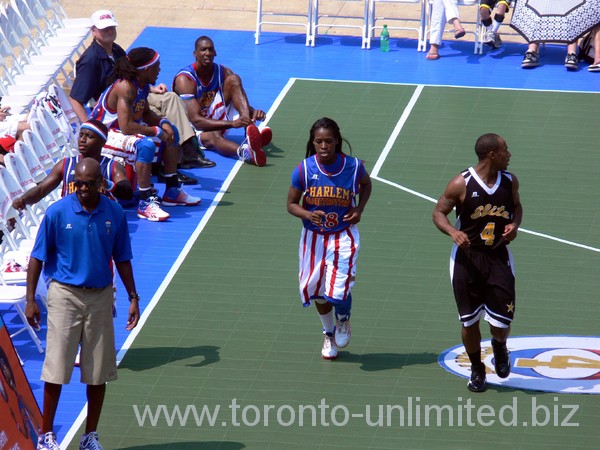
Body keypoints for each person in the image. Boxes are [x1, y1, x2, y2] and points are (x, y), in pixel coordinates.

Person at [25, 158, 140, 450]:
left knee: (98, 371)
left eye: (90, 184)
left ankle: (90, 436)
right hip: (65, 294)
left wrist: (133, 298)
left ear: (101, 183)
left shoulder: (114, 213)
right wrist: (30, 301)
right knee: (56, 368)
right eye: (79, 183)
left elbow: (123, 258)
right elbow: (37, 258)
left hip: (101, 296)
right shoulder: (57, 212)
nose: (84, 189)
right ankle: (45, 435)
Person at [69, 10, 214, 174]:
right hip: (115, 111)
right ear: (93, 31)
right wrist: (91, 128)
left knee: (171, 99)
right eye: (104, 28)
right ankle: (151, 186)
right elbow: (76, 99)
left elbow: (134, 77)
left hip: (131, 97)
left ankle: (184, 152)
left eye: (111, 27)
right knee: (147, 142)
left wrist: (152, 91)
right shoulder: (91, 60)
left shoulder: (116, 50)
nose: (109, 31)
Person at [432, 133, 522, 393]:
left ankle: (499, 346)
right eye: (506, 150)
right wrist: (452, 231)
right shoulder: (461, 183)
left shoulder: (509, 181)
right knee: (469, 321)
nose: (510, 154)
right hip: (467, 260)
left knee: (501, 323)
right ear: (492, 154)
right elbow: (439, 211)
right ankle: (477, 369)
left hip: (498, 257)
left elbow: (517, 207)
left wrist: (515, 224)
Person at [286, 117, 372, 360]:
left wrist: (359, 209)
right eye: (319, 141)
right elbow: (291, 205)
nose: (324, 146)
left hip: (343, 236)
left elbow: (366, 185)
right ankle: (328, 333)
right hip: (313, 238)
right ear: (313, 143)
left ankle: (343, 319)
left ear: (337, 141)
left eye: (328, 141)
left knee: (337, 294)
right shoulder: (303, 169)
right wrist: (307, 214)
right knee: (318, 292)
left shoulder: (353, 167)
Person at [91, 47, 201, 222]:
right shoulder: (125, 87)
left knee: (172, 134)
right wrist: (155, 131)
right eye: (157, 66)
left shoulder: (141, 86)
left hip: (119, 133)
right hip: (100, 136)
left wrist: (164, 124)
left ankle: (172, 191)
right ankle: (145, 202)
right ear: (146, 69)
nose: (159, 70)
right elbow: (127, 127)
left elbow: (146, 113)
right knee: (146, 144)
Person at [173, 36, 272, 167]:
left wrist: (252, 111)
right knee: (213, 136)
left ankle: (249, 128)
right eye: (203, 50)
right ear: (195, 54)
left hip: (211, 114)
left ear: (215, 53)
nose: (207, 53)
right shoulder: (185, 79)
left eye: (210, 49)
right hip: (190, 128)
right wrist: (231, 123)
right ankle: (246, 153)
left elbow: (237, 97)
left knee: (234, 80)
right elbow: (196, 121)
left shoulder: (223, 71)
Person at [12, 119, 133, 210]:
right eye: (81, 135)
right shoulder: (65, 164)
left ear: (102, 142)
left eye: (89, 136)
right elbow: (42, 189)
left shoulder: (112, 166)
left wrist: (108, 184)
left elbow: (127, 193)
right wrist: (23, 199)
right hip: (70, 218)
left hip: (100, 218)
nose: (82, 140)